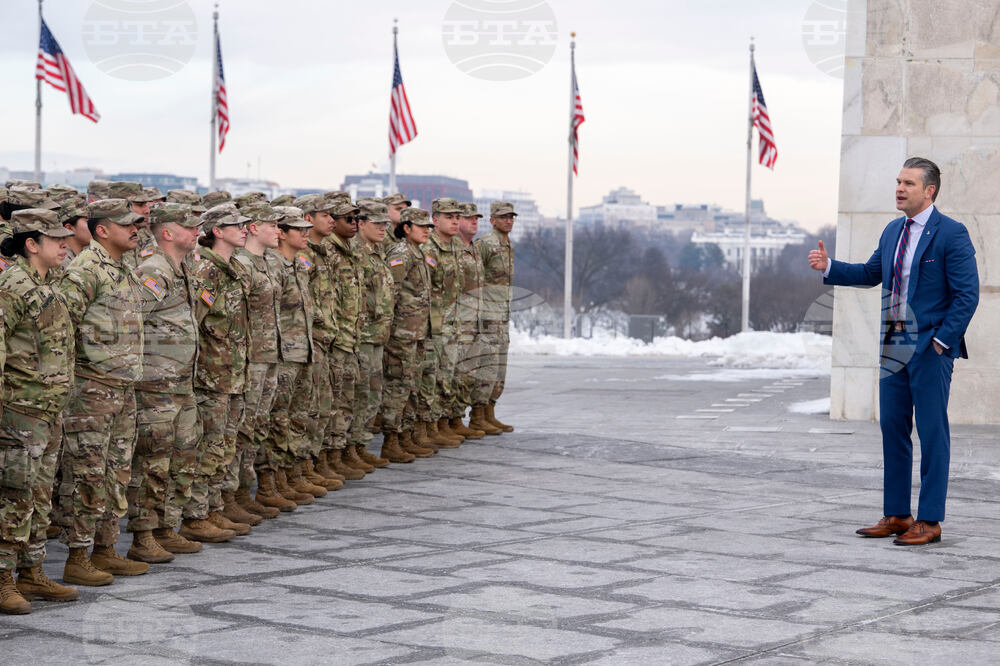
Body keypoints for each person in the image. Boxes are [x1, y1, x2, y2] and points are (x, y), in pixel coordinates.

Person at [808, 157, 979, 545]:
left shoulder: (951, 233)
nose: (900, 189)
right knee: (893, 429)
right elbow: (871, 274)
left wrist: (940, 342)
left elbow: (967, 296)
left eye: (909, 184)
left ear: (929, 191)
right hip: (895, 344)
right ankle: (899, 514)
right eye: (898, 182)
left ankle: (931, 520)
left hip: (931, 347)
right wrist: (829, 265)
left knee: (933, 432)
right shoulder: (892, 231)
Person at [59, 199, 147, 585]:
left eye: (136, 224)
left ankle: (105, 549)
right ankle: (77, 556)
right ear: (102, 230)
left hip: (122, 388)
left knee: (117, 473)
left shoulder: (123, 266)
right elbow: (64, 329)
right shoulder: (85, 271)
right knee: (88, 475)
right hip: (92, 389)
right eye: (126, 224)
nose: (135, 230)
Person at [127, 204, 220, 557]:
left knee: (182, 457)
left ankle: (167, 526)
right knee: (153, 462)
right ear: (168, 233)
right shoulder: (153, 270)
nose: (197, 231)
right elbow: (130, 320)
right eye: (190, 226)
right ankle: (144, 535)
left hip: (181, 383)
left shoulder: (180, 269)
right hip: (155, 386)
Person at [0, 209, 77, 614]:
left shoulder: (52, 281)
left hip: (49, 410)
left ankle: (31, 571)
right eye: (55, 238)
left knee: (40, 495)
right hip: (20, 410)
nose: (65, 244)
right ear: (31, 243)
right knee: (15, 497)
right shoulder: (12, 285)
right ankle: (3, 578)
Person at [187, 203, 253, 539]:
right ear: (217, 231)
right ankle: (196, 515)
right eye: (236, 225)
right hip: (211, 377)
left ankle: (214, 508)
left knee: (225, 446)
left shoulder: (234, 269)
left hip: (234, 375)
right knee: (209, 447)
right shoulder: (206, 272)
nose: (244, 229)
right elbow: (193, 325)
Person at [257, 206, 327, 512]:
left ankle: (288, 475)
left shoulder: (298, 265)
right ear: (282, 233)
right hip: (282, 355)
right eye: (299, 230)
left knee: (297, 418)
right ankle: (268, 483)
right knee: (276, 421)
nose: (306, 234)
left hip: (302, 352)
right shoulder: (271, 266)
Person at [229, 202, 290, 523]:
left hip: (268, 355)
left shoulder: (267, 262)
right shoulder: (241, 264)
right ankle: (231, 495)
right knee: (241, 428)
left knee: (256, 427)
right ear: (254, 228)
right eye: (272, 225)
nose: (279, 231)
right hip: (249, 358)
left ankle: (244, 490)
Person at [382, 208, 436, 461]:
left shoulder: (418, 252)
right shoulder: (401, 253)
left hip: (416, 331)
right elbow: (390, 292)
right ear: (406, 227)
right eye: (421, 225)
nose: (426, 229)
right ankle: (391, 440)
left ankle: (405, 436)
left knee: (411, 385)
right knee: (398, 385)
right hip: (401, 333)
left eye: (428, 226)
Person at [325, 199, 374, 476]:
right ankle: (327, 458)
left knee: (348, 400)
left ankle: (341, 453)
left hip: (351, 338)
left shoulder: (349, 251)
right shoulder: (329, 253)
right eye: (348, 219)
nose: (354, 224)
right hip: (335, 341)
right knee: (330, 404)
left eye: (357, 219)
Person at [347, 200, 393, 467]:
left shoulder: (378, 252)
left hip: (378, 334)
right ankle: (350, 448)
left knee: (372, 392)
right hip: (362, 335)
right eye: (377, 224)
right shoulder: (356, 254)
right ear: (361, 224)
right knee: (360, 392)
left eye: (385, 224)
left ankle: (360, 444)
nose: (383, 229)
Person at [419, 198, 467, 449]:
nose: (455, 221)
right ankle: (427, 427)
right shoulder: (430, 248)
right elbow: (425, 289)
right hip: (435, 324)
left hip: (452, 322)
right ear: (435, 220)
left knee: (447, 376)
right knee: (432, 377)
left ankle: (440, 424)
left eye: (457, 216)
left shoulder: (456, 246)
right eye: (449, 217)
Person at [455, 203, 498, 436]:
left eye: (476, 218)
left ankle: (470, 418)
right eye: (468, 218)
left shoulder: (473, 248)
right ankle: (448, 422)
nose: (474, 222)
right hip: (457, 323)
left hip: (476, 320)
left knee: (471, 373)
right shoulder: (452, 248)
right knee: (454, 375)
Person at [475, 201, 517, 433]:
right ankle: (478, 416)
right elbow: (475, 281)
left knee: (500, 367)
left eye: (511, 217)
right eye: (503, 217)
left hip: (502, 314)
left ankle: (490, 411)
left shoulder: (508, 245)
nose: (508, 220)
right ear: (492, 220)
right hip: (488, 316)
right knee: (487, 366)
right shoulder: (485, 244)